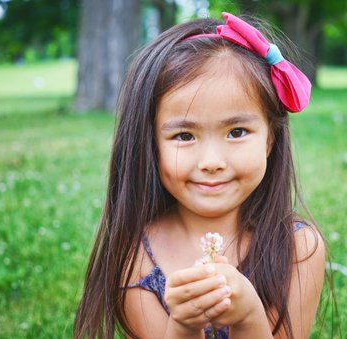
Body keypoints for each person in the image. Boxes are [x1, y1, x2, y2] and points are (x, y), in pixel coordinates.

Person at [74, 12, 326, 339]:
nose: (211, 162)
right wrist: (184, 326)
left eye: (236, 132)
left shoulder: (298, 247)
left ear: (269, 139)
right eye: (184, 136)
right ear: (151, 145)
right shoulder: (135, 257)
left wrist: (249, 315)